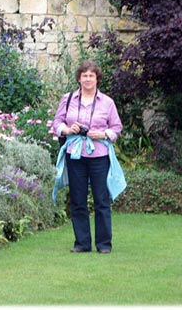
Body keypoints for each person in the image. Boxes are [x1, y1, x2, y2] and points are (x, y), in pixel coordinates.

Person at [52, 59, 124, 254]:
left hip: (99, 154)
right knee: (77, 199)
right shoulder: (68, 99)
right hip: (74, 154)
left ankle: (104, 244)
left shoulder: (107, 102)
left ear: (97, 79)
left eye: (91, 76)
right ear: (79, 78)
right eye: (84, 75)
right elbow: (56, 123)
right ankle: (82, 243)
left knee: (101, 199)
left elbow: (116, 128)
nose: (88, 79)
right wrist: (66, 129)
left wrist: (103, 134)